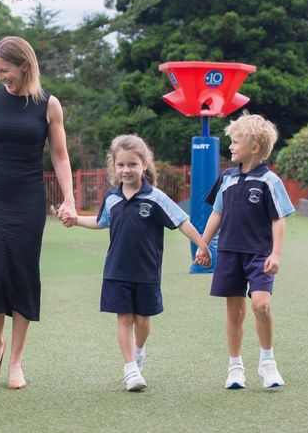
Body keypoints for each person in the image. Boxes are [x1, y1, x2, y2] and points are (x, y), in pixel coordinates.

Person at [0, 36, 77, 389]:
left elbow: (61, 156)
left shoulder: (48, 105)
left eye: (5, 70)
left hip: (27, 199)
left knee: (22, 273)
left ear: (24, 65)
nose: (1, 76)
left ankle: (17, 362)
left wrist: (68, 199)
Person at [60, 134, 211, 391]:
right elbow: (100, 222)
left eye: (132, 164)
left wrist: (202, 245)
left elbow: (182, 221)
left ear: (144, 165)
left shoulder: (155, 198)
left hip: (147, 272)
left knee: (142, 321)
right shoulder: (112, 198)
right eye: (121, 165)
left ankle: (139, 351)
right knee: (124, 319)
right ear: (114, 167)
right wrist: (75, 219)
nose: (126, 170)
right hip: (116, 271)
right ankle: (130, 369)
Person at [194, 112, 295, 390]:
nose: (230, 146)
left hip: (259, 255)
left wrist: (276, 254)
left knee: (261, 305)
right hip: (228, 254)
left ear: (254, 148)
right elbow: (216, 214)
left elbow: (279, 219)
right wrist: (203, 244)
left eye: (236, 141)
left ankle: (267, 363)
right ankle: (235, 367)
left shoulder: (270, 182)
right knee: (235, 314)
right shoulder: (226, 178)